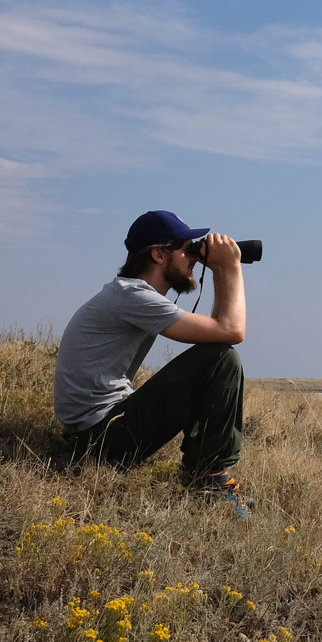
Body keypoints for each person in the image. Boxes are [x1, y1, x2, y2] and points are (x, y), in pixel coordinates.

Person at [53, 210, 249, 510]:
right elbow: (231, 331)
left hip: (93, 435)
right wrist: (231, 268)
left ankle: (206, 473)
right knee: (221, 359)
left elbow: (219, 331)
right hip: (100, 440)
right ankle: (210, 478)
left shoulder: (128, 294)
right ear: (159, 254)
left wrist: (221, 269)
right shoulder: (133, 296)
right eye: (187, 249)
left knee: (216, 355)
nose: (194, 258)